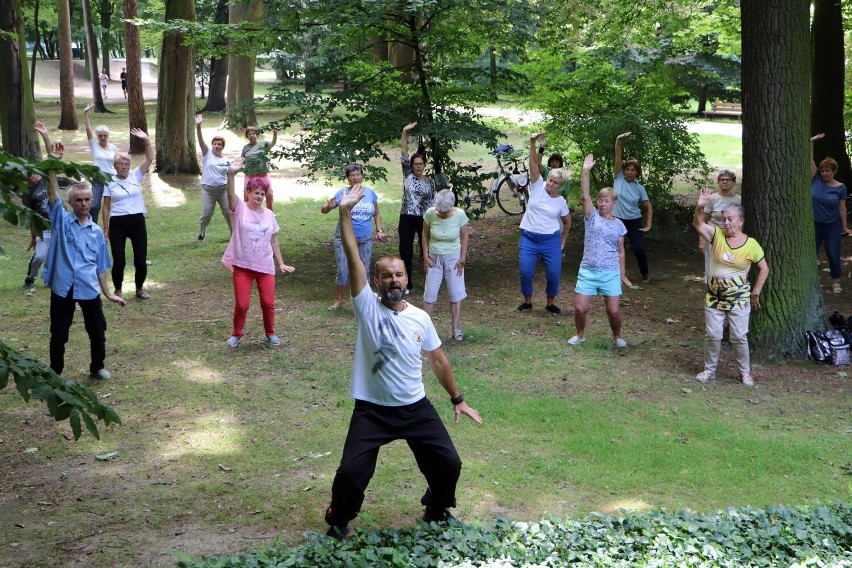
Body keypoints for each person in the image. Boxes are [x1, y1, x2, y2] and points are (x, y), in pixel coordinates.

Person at [323, 183, 482, 541]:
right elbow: (352, 255)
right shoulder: (366, 306)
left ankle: (436, 509)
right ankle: (339, 519)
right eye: (386, 276)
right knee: (350, 473)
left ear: (406, 279)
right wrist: (344, 212)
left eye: (398, 275)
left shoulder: (420, 318)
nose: (393, 280)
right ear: (376, 281)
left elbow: (438, 360)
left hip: (414, 408)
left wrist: (458, 399)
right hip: (372, 410)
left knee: (449, 464)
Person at [41, 142, 127, 380]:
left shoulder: (97, 232)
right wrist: (53, 160)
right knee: (59, 332)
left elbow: (100, 266)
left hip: (88, 288)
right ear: (70, 203)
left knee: (97, 330)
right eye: (78, 200)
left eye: (87, 199)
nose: (83, 204)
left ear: (92, 201)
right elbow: (51, 191)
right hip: (63, 287)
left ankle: (97, 366)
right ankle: (55, 370)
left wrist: (108, 293)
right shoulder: (60, 219)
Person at [693, 187, 769, 387]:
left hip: (739, 299)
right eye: (724, 218)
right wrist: (700, 205)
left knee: (738, 337)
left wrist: (756, 293)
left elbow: (764, 269)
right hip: (714, 296)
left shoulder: (751, 244)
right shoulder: (716, 235)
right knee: (713, 335)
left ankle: (745, 373)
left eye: (730, 219)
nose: (726, 223)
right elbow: (698, 224)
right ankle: (709, 371)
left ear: (740, 221)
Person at [222, 158, 295, 348]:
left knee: (268, 303)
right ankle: (236, 334)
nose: (260, 196)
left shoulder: (269, 215)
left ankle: (270, 333)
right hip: (243, 266)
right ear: (248, 192)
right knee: (243, 304)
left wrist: (281, 263)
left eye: (262, 193)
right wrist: (231, 174)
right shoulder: (239, 209)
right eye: (256, 192)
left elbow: (274, 240)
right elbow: (229, 194)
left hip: (265, 266)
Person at [568, 154, 632, 348]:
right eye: (601, 200)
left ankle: (617, 337)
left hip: (610, 272)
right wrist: (585, 171)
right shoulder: (592, 217)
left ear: (613, 203)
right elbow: (584, 196)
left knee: (613, 311)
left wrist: (622, 274)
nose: (603, 204)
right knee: (580, 308)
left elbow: (621, 251)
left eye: (607, 201)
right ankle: (580, 334)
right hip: (588, 270)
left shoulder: (620, 226)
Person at [516, 132, 571, 314]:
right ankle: (528, 301)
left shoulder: (561, 202)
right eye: (550, 180)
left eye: (555, 182)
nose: (551, 184)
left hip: (550, 240)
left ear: (560, 185)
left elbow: (567, 222)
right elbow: (533, 163)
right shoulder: (538, 185)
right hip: (529, 238)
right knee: (525, 272)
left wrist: (563, 240)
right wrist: (533, 142)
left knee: (554, 274)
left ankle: (550, 302)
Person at [320, 163, 386, 310]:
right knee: (342, 269)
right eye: (352, 175)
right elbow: (324, 210)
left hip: (365, 238)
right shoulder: (343, 193)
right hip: (344, 237)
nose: (355, 177)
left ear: (362, 175)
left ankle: (365, 302)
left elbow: (377, 213)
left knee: (364, 269)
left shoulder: (370, 193)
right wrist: (329, 207)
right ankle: (339, 300)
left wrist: (379, 230)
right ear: (348, 178)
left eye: (358, 174)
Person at [102, 129, 154, 299]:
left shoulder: (135, 175)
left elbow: (149, 158)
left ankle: (139, 289)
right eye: (120, 164)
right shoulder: (109, 181)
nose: (123, 166)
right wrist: (106, 227)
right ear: (115, 166)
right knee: (119, 261)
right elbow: (106, 207)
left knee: (140, 259)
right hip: (118, 222)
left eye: (126, 164)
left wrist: (146, 141)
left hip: (137, 221)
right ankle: (117, 289)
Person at [422, 189, 470, 341]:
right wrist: (425, 256)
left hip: (453, 258)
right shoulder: (430, 213)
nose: (441, 213)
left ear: (451, 206)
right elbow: (424, 235)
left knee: (455, 293)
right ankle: (424, 329)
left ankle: (456, 328)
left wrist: (462, 258)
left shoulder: (460, 215)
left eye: (444, 211)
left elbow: (464, 237)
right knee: (429, 293)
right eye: (439, 210)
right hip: (434, 257)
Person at [810, 133, 852, 294]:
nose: (824, 173)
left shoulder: (840, 188)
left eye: (827, 171)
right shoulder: (816, 180)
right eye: (822, 171)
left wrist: (845, 227)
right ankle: (812, 283)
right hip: (814, 224)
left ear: (834, 171)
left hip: (831, 225)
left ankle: (836, 281)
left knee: (833, 254)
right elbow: (810, 160)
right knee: (810, 255)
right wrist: (811, 142)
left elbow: (842, 207)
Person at [398, 122, 436, 295]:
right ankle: (407, 283)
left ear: (424, 164)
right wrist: (404, 132)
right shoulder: (408, 175)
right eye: (415, 164)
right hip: (407, 216)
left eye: (421, 164)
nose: (418, 166)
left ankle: (430, 279)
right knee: (405, 249)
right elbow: (404, 153)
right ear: (411, 166)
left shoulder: (430, 182)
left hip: (424, 218)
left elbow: (432, 203)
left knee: (427, 248)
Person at [613, 132, 653, 283]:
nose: (629, 172)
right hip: (616, 220)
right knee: (614, 248)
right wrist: (618, 140)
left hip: (634, 221)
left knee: (639, 249)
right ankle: (614, 274)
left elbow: (648, 207)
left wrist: (648, 225)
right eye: (627, 169)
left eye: (633, 170)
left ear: (637, 173)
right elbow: (618, 157)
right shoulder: (618, 179)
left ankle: (645, 274)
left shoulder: (639, 188)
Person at [22, 122, 54, 293]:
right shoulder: (27, 194)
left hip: (60, 224)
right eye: (29, 176)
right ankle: (30, 279)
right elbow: (32, 216)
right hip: (44, 229)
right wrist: (33, 238)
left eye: (35, 173)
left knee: (62, 256)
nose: (34, 178)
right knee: (40, 256)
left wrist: (46, 136)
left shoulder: (47, 180)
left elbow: (52, 160)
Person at [195, 114, 232, 242]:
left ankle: (233, 235)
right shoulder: (207, 154)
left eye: (219, 144)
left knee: (228, 214)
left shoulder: (227, 161)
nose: (217, 146)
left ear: (223, 146)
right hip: (208, 191)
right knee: (206, 215)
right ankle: (202, 234)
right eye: (215, 144)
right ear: (212, 145)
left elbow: (231, 175)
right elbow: (200, 141)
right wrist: (198, 125)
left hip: (223, 191)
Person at [698, 170, 742, 276]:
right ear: (718, 182)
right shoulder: (713, 198)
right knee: (712, 267)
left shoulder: (739, 199)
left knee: (729, 267)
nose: (725, 182)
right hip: (714, 237)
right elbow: (703, 220)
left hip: (732, 238)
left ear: (733, 183)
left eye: (728, 180)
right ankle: (711, 290)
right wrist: (702, 239)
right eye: (722, 180)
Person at [83, 102, 118, 225]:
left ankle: (110, 228)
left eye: (105, 135)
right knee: (94, 206)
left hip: (111, 178)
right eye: (100, 135)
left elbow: (117, 163)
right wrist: (85, 113)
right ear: (97, 136)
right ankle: (93, 226)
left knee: (112, 205)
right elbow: (88, 129)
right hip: (98, 178)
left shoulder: (113, 147)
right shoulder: (94, 145)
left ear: (108, 136)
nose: (103, 137)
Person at [240, 125, 278, 211]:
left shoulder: (263, 144)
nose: (252, 135)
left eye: (253, 133)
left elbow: (273, 143)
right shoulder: (245, 147)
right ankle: (247, 214)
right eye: (249, 134)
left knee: (269, 194)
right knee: (247, 195)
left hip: (263, 174)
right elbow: (242, 160)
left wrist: (275, 133)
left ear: (257, 135)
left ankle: (270, 214)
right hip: (250, 175)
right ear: (247, 136)